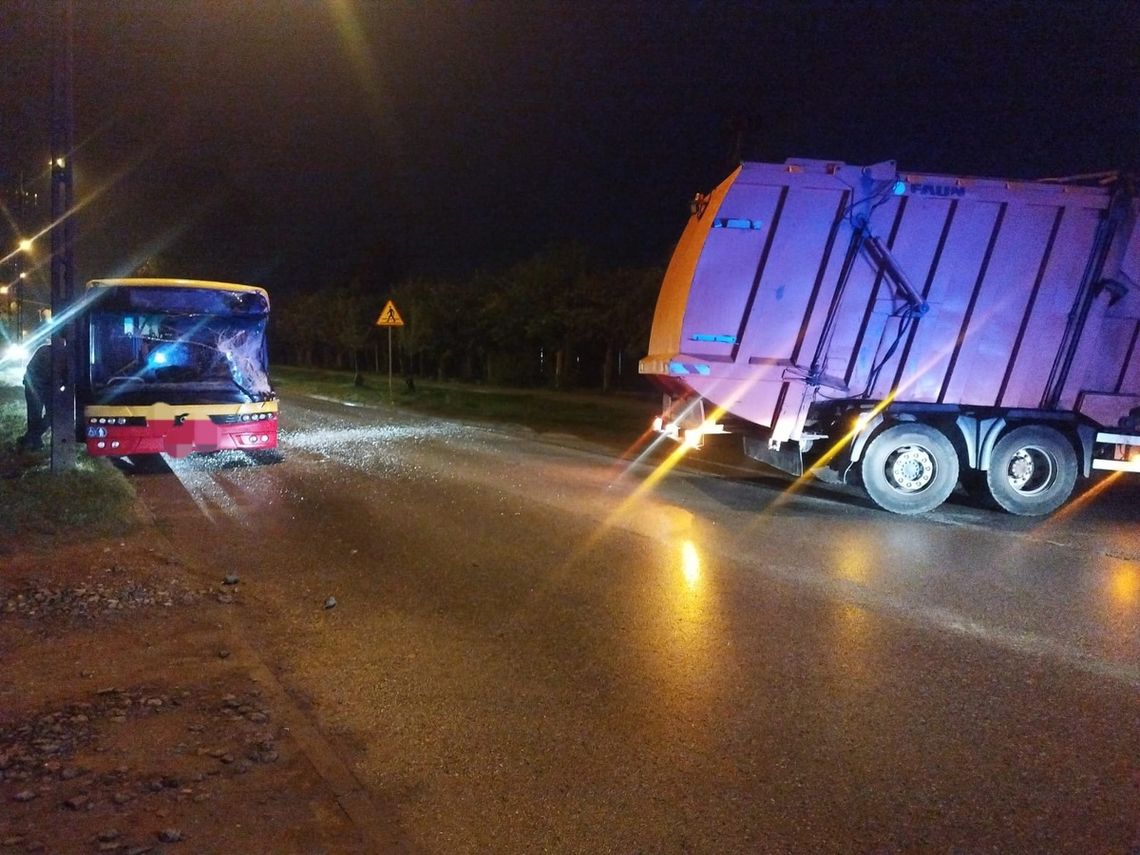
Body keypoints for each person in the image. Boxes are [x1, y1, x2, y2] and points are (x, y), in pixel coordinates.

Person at [18, 341, 53, 451]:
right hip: (36, 387)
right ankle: (33, 441)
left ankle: (31, 439)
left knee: (40, 416)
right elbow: (50, 374)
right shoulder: (46, 352)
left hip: (38, 386)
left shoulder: (44, 350)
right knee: (38, 416)